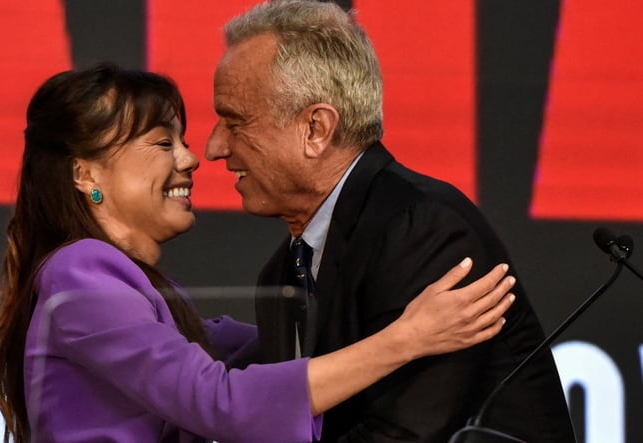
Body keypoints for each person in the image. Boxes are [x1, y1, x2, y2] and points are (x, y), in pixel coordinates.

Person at [0, 62, 515, 443]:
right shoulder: (82, 274)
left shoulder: (127, 288)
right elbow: (220, 401)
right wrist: (405, 339)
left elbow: (266, 350)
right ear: (85, 173)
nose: (193, 158)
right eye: (163, 144)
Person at [204, 1, 576, 442]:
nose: (214, 147)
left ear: (316, 129)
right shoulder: (285, 270)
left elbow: (404, 433)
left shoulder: (423, 230)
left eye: (234, 121)